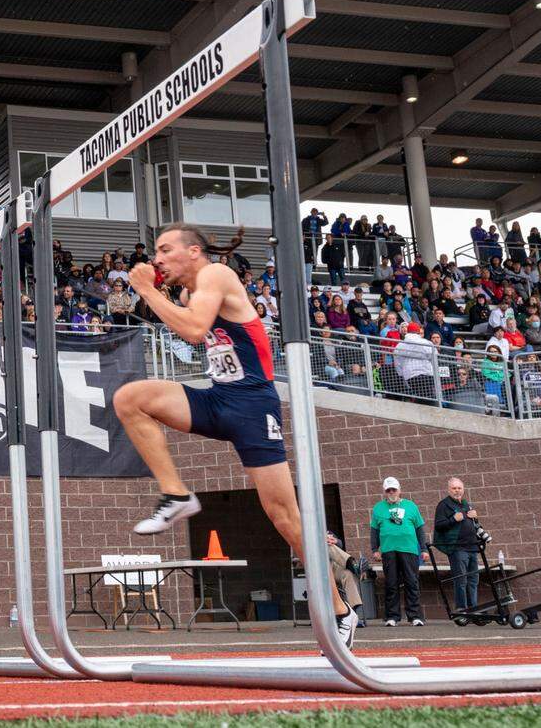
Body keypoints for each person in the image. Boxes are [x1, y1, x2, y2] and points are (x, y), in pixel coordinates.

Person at [112, 221, 358, 647]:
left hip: (251, 406)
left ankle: (340, 608)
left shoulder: (216, 274)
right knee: (130, 398)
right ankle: (176, 495)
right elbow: (190, 326)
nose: (157, 258)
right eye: (156, 251)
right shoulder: (190, 291)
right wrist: (161, 292)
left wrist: (148, 291)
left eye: (166, 249)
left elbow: (191, 329)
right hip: (218, 398)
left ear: (194, 252)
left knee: (285, 517)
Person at [370, 477, 428, 627]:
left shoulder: (411, 506)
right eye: (388, 490)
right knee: (391, 583)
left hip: (409, 549)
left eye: (394, 489)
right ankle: (392, 617)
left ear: (399, 490)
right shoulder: (378, 508)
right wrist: (375, 549)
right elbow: (374, 530)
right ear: (384, 491)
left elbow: (420, 529)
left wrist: (424, 549)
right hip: (388, 550)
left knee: (412, 582)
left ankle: (415, 616)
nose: (391, 492)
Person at [433, 478, 482, 614]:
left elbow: (474, 526)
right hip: (458, 548)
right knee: (461, 579)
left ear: (463, 489)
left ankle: (473, 608)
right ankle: (462, 609)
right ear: (449, 490)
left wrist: (475, 518)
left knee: (473, 580)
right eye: (454, 488)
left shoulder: (466, 504)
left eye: (459, 488)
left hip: (472, 547)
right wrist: (453, 519)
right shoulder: (443, 505)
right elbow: (439, 525)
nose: (457, 491)